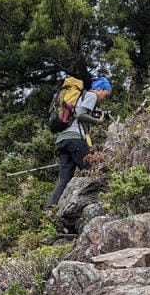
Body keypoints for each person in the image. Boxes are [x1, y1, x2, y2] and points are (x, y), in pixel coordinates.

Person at [47, 76, 113, 209]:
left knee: (64, 180)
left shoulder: (82, 98)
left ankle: (50, 209)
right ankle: (106, 202)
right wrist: (98, 121)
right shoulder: (92, 95)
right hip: (75, 140)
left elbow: (79, 113)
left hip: (63, 141)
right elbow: (81, 115)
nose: (103, 98)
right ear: (100, 89)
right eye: (105, 95)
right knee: (93, 171)